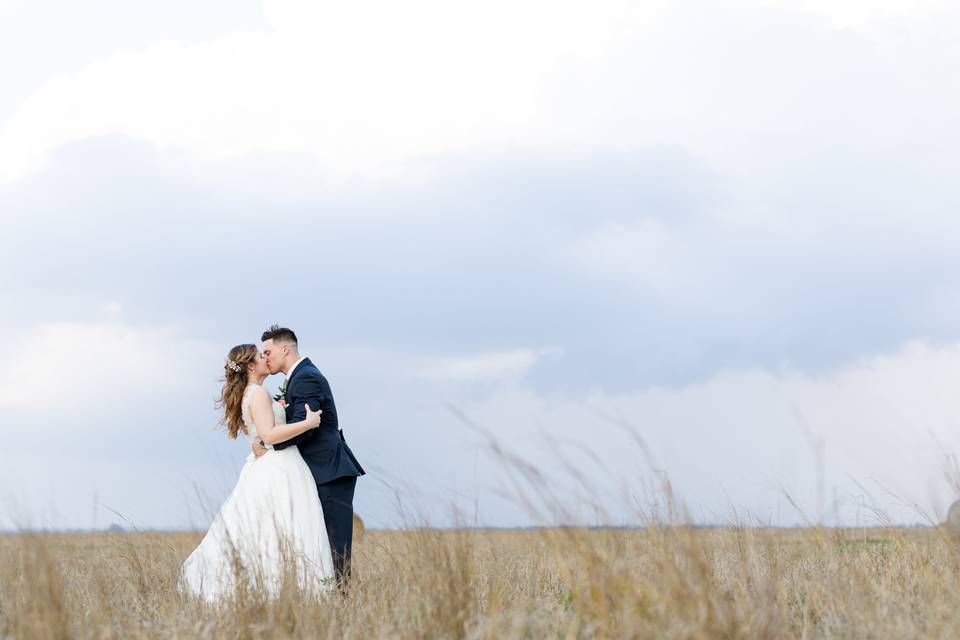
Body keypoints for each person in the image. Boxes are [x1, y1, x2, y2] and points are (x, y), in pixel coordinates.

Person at [178, 344, 335, 602]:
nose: (266, 358)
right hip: (279, 466)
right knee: (287, 529)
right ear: (251, 365)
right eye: (261, 356)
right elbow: (269, 435)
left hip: (268, 464)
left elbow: (263, 433)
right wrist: (307, 423)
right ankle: (292, 592)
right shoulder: (258, 393)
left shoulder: (254, 393)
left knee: (272, 530)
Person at [257, 325, 365, 587]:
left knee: (335, 546)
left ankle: (341, 601)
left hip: (329, 471)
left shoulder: (305, 377)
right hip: (318, 470)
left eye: (268, 351)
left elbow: (306, 427)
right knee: (320, 544)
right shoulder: (298, 376)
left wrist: (269, 442)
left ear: (285, 349)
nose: (265, 357)